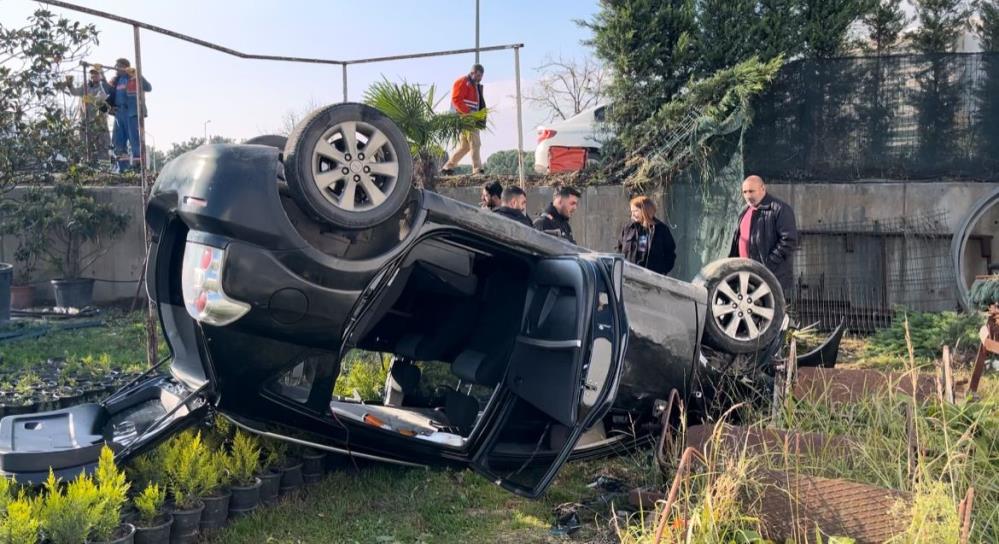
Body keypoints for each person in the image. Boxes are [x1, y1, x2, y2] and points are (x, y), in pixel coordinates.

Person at [728, 175, 799, 293]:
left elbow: (789, 241)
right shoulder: (744, 211)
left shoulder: (780, 209)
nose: (748, 196)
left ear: (763, 189)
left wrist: (767, 265)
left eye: (751, 191)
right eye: (744, 192)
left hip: (771, 278)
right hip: (746, 276)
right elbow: (738, 241)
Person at [107, 58, 151, 173]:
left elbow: (148, 87)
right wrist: (101, 76)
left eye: (119, 66)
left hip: (131, 112)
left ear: (126, 67)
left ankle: (138, 168)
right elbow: (106, 91)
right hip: (119, 113)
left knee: (135, 140)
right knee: (118, 141)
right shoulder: (115, 80)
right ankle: (122, 168)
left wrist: (137, 75)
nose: (116, 68)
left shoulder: (133, 77)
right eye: (116, 66)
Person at [441, 64, 485, 175]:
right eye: (478, 75)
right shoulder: (463, 82)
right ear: (472, 73)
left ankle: (448, 166)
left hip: (470, 118)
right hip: (466, 118)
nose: (480, 78)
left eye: (481, 76)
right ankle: (477, 169)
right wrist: (468, 112)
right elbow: (456, 99)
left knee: (465, 147)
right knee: (475, 143)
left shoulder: (475, 85)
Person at [617, 196, 676, 276]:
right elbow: (619, 250)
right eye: (632, 211)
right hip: (629, 276)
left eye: (635, 211)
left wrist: (662, 272)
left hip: (652, 279)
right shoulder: (628, 228)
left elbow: (670, 254)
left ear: (645, 210)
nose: (632, 214)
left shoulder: (661, 230)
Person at [65, 65, 112, 164]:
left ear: (100, 76)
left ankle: (104, 169)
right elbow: (75, 92)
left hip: (99, 122)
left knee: (102, 146)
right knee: (85, 146)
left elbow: (101, 99)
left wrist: (90, 99)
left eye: (96, 74)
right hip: (85, 121)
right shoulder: (85, 86)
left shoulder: (102, 86)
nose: (93, 76)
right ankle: (86, 167)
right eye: (92, 74)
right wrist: (69, 84)